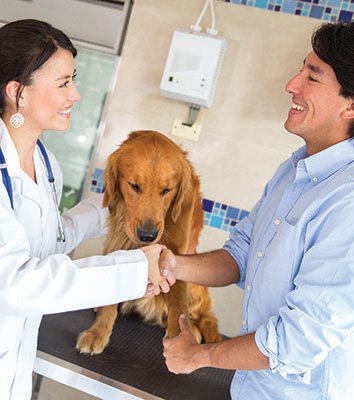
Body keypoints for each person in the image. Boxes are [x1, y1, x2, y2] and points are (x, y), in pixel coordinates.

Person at [161, 21, 354, 399]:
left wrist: (198, 355)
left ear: (351, 104)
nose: (291, 85)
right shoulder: (294, 170)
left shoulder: (347, 202)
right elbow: (242, 255)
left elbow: (298, 340)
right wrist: (171, 264)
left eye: (312, 77)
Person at [0, 19, 172, 400]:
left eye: (72, 80)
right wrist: (131, 269)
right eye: (63, 83)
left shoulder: (44, 163)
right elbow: (14, 285)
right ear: (18, 93)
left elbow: (50, 241)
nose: (75, 95)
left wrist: (111, 206)